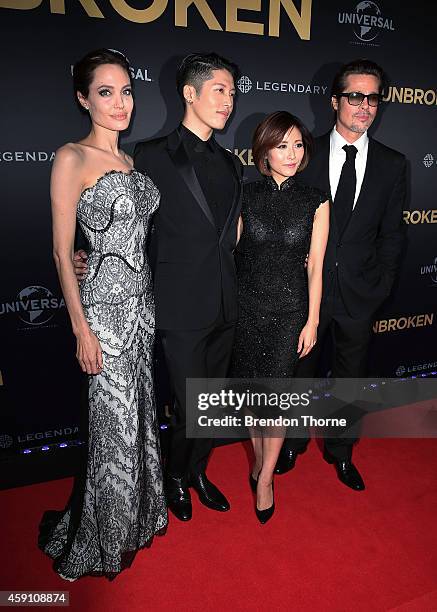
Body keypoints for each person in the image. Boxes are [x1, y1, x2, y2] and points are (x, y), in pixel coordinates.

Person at [75, 53, 243, 522]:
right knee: (191, 404)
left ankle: (197, 472)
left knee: (213, 405)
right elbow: (108, 209)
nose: (228, 101)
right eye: (219, 90)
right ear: (189, 93)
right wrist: (81, 249)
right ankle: (174, 475)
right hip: (178, 305)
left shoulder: (231, 164)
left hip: (226, 303)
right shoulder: (148, 155)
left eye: (232, 92)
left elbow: (230, 234)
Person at [39, 49, 167, 580]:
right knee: (112, 427)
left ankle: (134, 518)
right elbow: (60, 251)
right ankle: (104, 536)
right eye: (106, 92)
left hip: (141, 312)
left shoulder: (131, 163)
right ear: (83, 98)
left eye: (127, 91)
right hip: (104, 319)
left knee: (137, 420)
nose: (120, 103)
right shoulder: (71, 158)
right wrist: (80, 328)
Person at [276, 59, 407, 491]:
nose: (364, 106)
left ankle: (341, 451)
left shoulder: (393, 164)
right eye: (355, 96)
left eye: (372, 98)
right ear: (335, 101)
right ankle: (291, 444)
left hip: (359, 292)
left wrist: (381, 285)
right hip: (304, 292)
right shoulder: (304, 152)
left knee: (351, 377)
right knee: (300, 370)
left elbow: (392, 234)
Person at [231, 111, 329, 523]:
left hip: (290, 314)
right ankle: (259, 460)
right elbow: (227, 250)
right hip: (247, 309)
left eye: (298, 145)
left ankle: (267, 477)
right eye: (281, 145)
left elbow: (316, 267)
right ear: (264, 151)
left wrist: (312, 321)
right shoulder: (245, 194)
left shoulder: (316, 200)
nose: (291, 154)